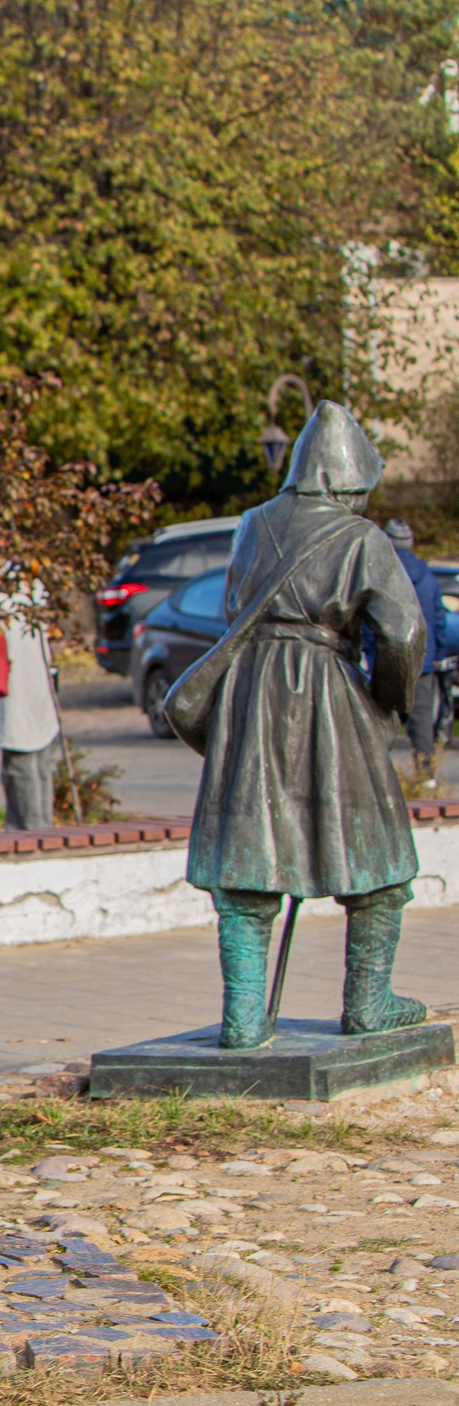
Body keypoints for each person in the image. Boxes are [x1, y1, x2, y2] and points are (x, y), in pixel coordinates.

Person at [175, 405, 429, 1045]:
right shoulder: (360, 537)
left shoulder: (253, 525)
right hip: (328, 689)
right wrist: (388, 701)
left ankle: (242, 1019)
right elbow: (403, 631)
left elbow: (235, 604)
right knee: (383, 863)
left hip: (250, 693)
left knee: (245, 855)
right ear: (348, 482)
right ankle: (367, 1004)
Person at [0, 599, 60, 831]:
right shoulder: (31, 588)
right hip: (30, 690)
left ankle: (30, 835)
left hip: (18, 689)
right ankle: (39, 830)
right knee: (35, 764)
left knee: (25, 767)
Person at [384, 520, 443, 789]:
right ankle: (426, 775)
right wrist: (437, 653)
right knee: (422, 722)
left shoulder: (384, 574)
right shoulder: (428, 578)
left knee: (382, 718)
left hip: (388, 659)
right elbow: (438, 620)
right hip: (424, 660)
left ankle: (379, 775)